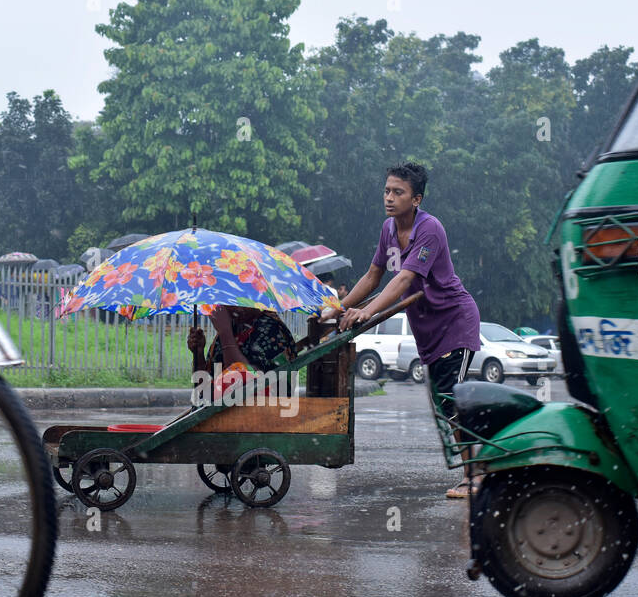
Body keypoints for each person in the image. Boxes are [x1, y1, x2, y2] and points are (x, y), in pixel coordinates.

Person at [329, 162, 483, 499]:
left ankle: (476, 478)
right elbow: (373, 275)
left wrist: (366, 311)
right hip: (429, 330)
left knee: (450, 400)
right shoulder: (388, 229)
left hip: (454, 322)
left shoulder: (430, 229)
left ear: (416, 199)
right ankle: (477, 469)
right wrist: (338, 309)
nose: (389, 197)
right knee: (445, 403)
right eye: (386, 190)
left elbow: (403, 279)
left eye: (398, 192)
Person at [186, 305, 298, 395]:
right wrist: (198, 354)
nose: (232, 307)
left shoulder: (270, 328)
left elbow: (241, 381)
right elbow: (203, 391)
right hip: (227, 414)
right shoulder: (232, 328)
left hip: (265, 412)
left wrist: (225, 333)